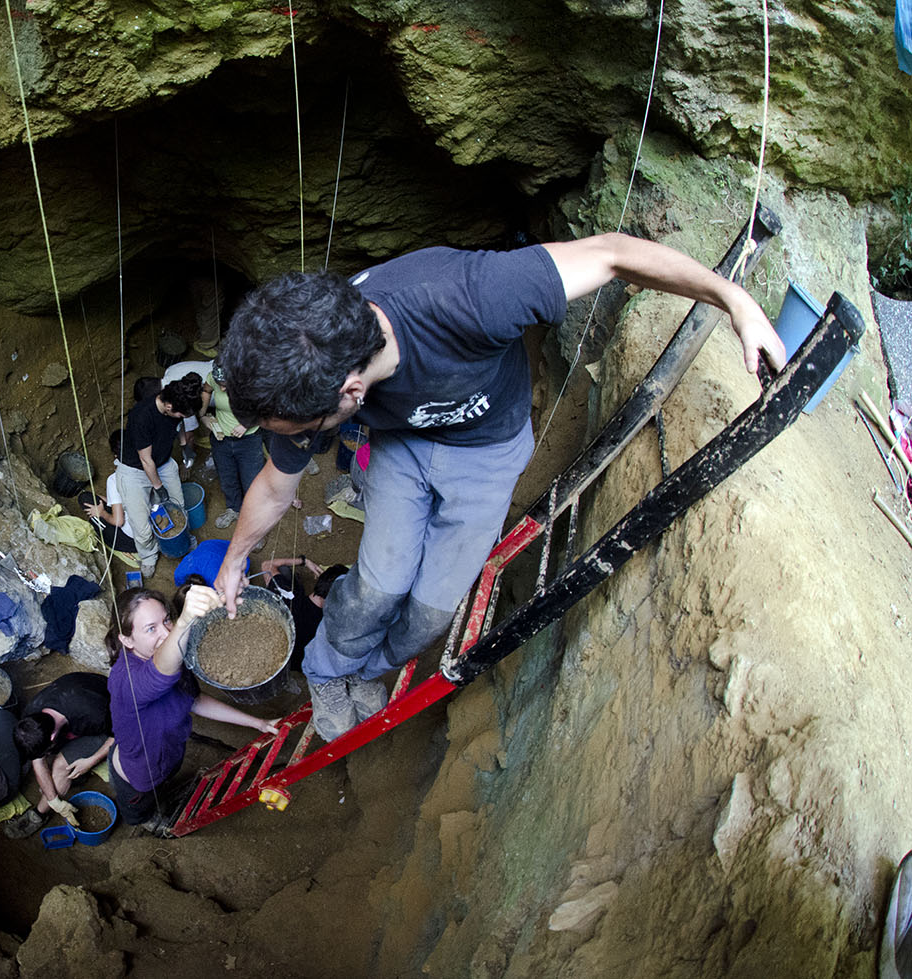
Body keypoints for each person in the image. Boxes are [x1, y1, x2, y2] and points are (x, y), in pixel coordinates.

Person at [213, 232, 787, 740]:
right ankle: (330, 670)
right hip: (400, 447)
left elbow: (611, 253)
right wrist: (236, 559)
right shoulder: (299, 375)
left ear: (351, 392)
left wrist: (736, 301)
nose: (298, 441)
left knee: (431, 613)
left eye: (306, 431)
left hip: (486, 453)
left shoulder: (469, 296)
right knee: (379, 586)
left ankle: (369, 672)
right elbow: (275, 485)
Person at [106, 585, 279, 831]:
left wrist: (257, 723)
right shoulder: (126, 680)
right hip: (137, 777)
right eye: (150, 628)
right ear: (126, 640)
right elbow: (158, 674)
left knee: (165, 781)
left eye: (167, 620)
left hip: (168, 756)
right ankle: (150, 823)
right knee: (140, 810)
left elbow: (194, 700)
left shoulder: (173, 661)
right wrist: (185, 620)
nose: (166, 633)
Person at [2, 672, 115, 838]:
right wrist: (55, 801)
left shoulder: (95, 714)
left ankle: (39, 815)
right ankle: (53, 799)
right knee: (51, 769)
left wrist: (90, 761)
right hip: (74, 702)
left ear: (53, 737)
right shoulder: (31, 719)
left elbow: (118, 734)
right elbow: (38, 762)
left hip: (109, 719)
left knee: (61, 766)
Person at [116, 374, 205, 578]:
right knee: (142, 525)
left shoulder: (174, 404)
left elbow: (179, 425)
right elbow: (146, 460)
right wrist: (158, 488)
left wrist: (184, 446)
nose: (182, 418)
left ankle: (182, 541)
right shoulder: (141, 416)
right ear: (168, 407)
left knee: (178, 507)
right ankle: (148, 555)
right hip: (135, 470)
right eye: (181, 414)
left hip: (163, 462)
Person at [258, 556, 349, 673]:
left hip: (271, 652)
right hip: (297, 664)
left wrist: (305, 562)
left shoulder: (288, 598)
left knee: (284, 570)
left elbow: (267, 564)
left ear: (321, 579)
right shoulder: (327, 628)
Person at [204, 362, 265, 528]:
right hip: (221, 439)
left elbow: (265, 408)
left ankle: (253, 521)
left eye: (225, 386)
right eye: (220, 385)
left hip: (249, 440)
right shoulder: (214, 379)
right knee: (227, 477)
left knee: (251, 482)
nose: (222, 389)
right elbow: (207, 390)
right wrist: (203, 415)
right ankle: (233, 508)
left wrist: (246, 423)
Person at [80, 430, 138, 556]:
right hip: (155, 531)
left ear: (115, 455)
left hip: (134, 542)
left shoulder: (114, 479)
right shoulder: (148, 464)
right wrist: (108, 500)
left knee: (85, 499)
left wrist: (102, 513)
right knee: (98, 499)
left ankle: (124, 548)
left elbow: (119, 521)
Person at [159, 359, 214, 468]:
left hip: (229, 389)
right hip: (214, 366)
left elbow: (190, 436)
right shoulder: (170, 371)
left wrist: (188, 459)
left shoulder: (183, 402)